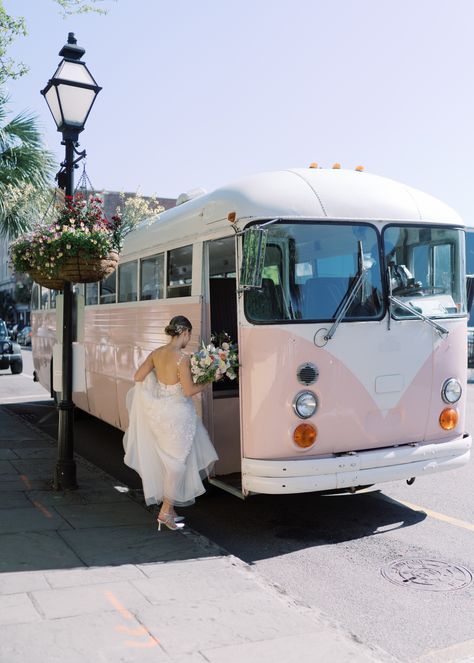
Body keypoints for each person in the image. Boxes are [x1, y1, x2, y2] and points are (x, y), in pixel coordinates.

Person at [123, 315, 218, 531]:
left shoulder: (157, 354)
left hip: (159, 414)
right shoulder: (181, 358)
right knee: (177, 465)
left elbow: (138, 376)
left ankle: (171, 510)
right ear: (183, 332)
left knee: (169, 463)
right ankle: (165, 512)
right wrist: (209, 380)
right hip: (178, 416)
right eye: (189, 335)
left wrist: (157, 387)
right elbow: (189, 390)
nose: (189, 339)